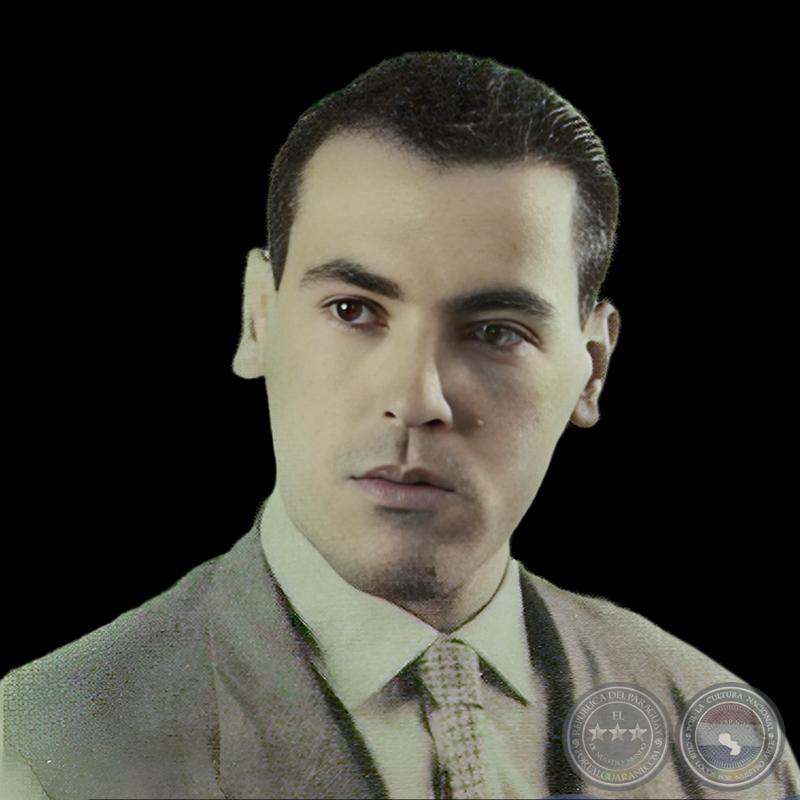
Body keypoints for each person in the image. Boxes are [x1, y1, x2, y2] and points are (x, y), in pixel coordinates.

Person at [2, 50, 797, 800]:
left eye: (496, 331)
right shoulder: (41, 752)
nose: (418, 399)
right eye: (353, 310)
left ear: (591, 369)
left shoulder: (717, 739)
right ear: (259, 319)